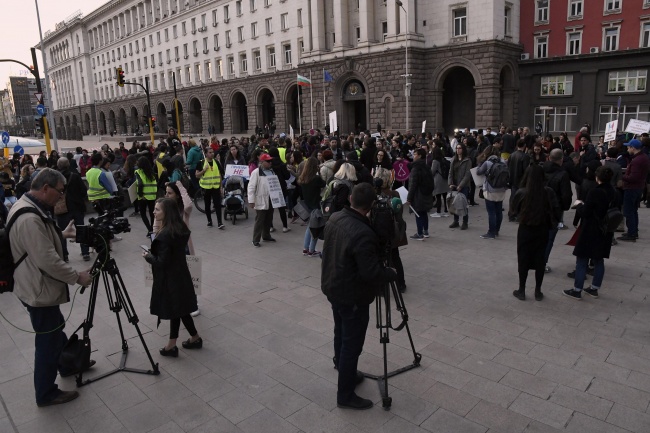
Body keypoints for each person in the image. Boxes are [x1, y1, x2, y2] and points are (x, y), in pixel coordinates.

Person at [8, 168, 92, 407]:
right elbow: (47, 260)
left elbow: (37, 242)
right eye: (60, 191)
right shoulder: (29, 217)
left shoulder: (28, 205)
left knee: (54, 329)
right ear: (45, 188)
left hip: (33, 285)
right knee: (47, 340)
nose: (61, 197)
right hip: (37, 289)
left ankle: (67, 364)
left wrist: (60, 235)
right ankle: (46, 393)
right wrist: (78, 277)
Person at [321, 183, 397, 410]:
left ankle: (344, 370)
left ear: (351, 199)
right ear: (371, 206)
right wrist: (390, 274)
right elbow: (371, 272)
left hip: (334, 287)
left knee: (340, 331)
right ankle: (345, 394)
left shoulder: (335, 217)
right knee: (351, 345)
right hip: (352, 295)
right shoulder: (363, 233)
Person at [143, 198, 202, 357]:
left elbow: (161, 262)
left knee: (177, 309)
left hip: (169, 279)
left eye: (157, 210)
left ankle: (176, 344)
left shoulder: (165, 236)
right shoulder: (178, 227)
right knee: (179, 309)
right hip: (181, 274)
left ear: (167, 212)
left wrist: (148, 256)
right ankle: (187, 340)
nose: (154, 212)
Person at [563, 166, 619, 300]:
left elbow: (586, 212)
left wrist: (580, 205)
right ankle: (594, 288)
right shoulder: (614, 192)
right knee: (598, 260)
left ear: (597, 177)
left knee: (582, 260)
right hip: (606, 229)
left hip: (591, 229)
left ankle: (577, 290)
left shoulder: (595, 192)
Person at [510, 165, 559, 301]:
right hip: (542, 229)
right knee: (540, 260)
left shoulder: (521, 192)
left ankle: (522, 289)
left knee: (523, 258)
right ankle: (538, 290)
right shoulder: (548, 192)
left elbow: (513, 211)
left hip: (525, 229)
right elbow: (556, 209)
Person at [55, 158, 90, 261]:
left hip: (62, 209)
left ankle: (64, 255)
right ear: (68, 165)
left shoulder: (56, 178)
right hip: (76, 207)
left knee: (62, 232)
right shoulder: (75, 176)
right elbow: (83, 191)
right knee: (81, 229)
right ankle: (85, 252)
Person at [618, 139, 650, 242]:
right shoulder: (643, 157)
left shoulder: (637, 160)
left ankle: (631, 234)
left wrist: (622, 176)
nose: (627, 149)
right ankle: (633, 231)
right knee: (633, 211)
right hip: (638, 187)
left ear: (633, 148)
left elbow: (633, 177)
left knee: (629, 212)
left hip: (632, 188)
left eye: (628, 147)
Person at [247, 153, 277, 247]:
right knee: (260, 220)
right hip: (260, 199)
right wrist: (251, 200)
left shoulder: (271, 171)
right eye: (268, 161)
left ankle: (266, 235)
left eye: (270, 161)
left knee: (269, 218)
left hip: (270, 198)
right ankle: (255, 239)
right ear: (262, 162)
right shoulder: (256, 172)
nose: (270, 163)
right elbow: (251, 187)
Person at [297, 157, 326, 257]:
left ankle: (306, 248)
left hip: (307, 206)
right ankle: (311, 250)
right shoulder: (316, 178)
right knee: (315, 229)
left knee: (310, 227)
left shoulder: (303, 178)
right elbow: (324, 184)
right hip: (316, 206)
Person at [476, 148, 507, 239]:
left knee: (491, 212)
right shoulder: (503, 162)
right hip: (501, 189)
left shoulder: (487, 163)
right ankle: (497, 230)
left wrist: (480, 164)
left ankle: (491, 232)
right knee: (498, 211)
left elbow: (478, 172)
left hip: (490, 190)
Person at [406, 148, 434, 240]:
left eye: (415, 154)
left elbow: (413, 184)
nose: (413, 156)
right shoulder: (426, 166)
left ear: (420, 156)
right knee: (424, 213)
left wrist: (409, 198)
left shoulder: (415, 168)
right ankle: (425, 231)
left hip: (418, 194)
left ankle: (419, 233)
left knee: (418, 213)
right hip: (426, 193)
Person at [196, 148, 225, 228]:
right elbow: (197, 175)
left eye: (213, 152)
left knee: (217, 205)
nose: (212, 154)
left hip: (215, 187)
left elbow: (219, 175)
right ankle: (209, 221)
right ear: (205, 154)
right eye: (210, 152)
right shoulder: (201, 163)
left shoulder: (216, 162)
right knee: (207, 205)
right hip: (206, 187)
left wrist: (221, 187)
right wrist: (203, 170)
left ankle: (220, 222)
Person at [448, 142, 472, 230]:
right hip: (454, 184)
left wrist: (461, 185)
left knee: (464, 204)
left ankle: (465, 222)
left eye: (460, 148)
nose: (458, 150)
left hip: (463, 185)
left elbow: (467, 174)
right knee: (455, 203)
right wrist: (450, 183)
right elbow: (450, 172)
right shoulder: (454, 159)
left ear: (463, 149)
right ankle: (456, 221)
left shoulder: (467, 160)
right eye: (457, 148)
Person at [135, 156, 158, 236]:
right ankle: (152, 228)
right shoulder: (151, 172)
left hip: (143, 197)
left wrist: (141, 194)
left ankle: (150, 230)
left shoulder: (138, 172)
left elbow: (140, 184)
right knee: (152, 214)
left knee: (143, 214)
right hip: (152, 196)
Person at [429, 147, 450, 217]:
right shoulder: (444, 159)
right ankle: (446, 210)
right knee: (444, 196)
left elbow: (432, 171)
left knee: (438, 196)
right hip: (445, 179)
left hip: (438, 180)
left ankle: (438, 211)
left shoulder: (435, 161)